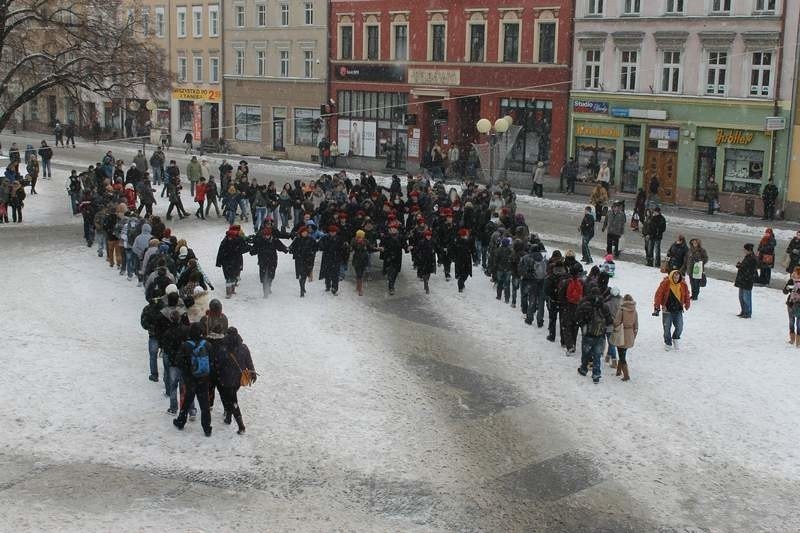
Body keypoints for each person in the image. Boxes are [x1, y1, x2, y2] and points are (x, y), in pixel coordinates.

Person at [173, 322, 213, 436]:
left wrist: (188, 371)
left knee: (187, 400)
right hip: (204, 378)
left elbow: (179, 361)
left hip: (191, 379)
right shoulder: (207, 345)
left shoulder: (186, 345)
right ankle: (207, 428)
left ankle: (181, 421)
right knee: (205, 404)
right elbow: (212, 362)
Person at [213, 327, 255, 435]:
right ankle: (228, 417)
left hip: (225, 379)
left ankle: (241, 425)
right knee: (230, 398)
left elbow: (218, 364)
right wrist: (253, 373)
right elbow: (249, 362)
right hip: (238, 379)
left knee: (232, 400)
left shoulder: (222, 349)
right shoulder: (244, 348)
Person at [576, 287, 613, 384]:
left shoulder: (585, 304)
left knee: (586, 353)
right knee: (597, 355)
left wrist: (583, 324)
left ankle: (584, 369)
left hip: (588, 333)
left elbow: (578, 317)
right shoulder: (604, 306)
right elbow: (610, 321)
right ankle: (596, 374)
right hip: (600, 334)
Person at [653, 270, 691, 351]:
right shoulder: (665, 283)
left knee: (680, 327)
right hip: (667, 310)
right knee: (667, 328)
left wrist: (687, 303)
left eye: (678, 277)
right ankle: (668, 342)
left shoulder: (683, 284)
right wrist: (657, 307)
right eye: (674, 277)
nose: (676, 279)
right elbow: (658, 295)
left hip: (678, 310)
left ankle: (676, 338)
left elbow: (686, 294)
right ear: (671, 276)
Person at [216, 225, 251, 299]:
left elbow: (244, 248)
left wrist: (251, 248)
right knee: (228, 278)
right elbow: (220, 252)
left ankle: (232, 290)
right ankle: (228, 293)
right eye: (229, 237)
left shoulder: (239, 240)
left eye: (231, 237)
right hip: (227, 263)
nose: (230, 238)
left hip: (235, 262)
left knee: (234, 276)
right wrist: (218, 262)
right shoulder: (224, 242)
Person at [610, 294, 638, 381]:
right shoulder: (634, 311)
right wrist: (634, 335)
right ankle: (618, 371)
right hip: (630, 334)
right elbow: (636, 325)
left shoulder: (621, 310)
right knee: (623, 352)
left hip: (621, 333)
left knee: (621, 355)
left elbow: (616, 322)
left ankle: (626, 375)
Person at [288, 225, 318, 297]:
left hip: (308, 260)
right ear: (300, 233)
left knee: (304, 275)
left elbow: (316, 248)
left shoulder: (311, 239)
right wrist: (292, 250)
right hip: (299, 260)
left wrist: (311, 253)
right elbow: (291, 248)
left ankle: (303, 286)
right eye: (303, 232)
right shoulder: (297, 239)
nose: (304, 233)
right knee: (301, 275)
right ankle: (302, 290)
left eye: (306, 232)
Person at [735, 243, 758, 318]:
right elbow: (744, 267)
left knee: (746, 297)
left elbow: (750, 270)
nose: (743, 251)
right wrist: (740, 265)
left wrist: (740, 266)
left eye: (745, 249)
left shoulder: (753, 258)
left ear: (749, 250)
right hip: (742, 280)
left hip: (747, 280)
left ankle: (748, 312)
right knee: (741, 297)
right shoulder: (748, 257)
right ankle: (743, 311)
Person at [782, 267, 800, 347]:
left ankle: (798, 342)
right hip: (791, 304)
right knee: (791, 322)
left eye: (795, 272)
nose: (793, 274)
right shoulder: (790, 281)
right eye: (793, 272)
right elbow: (784, 292)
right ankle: (792, 339)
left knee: (799, 323)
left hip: (799, 305)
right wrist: (787, 288)